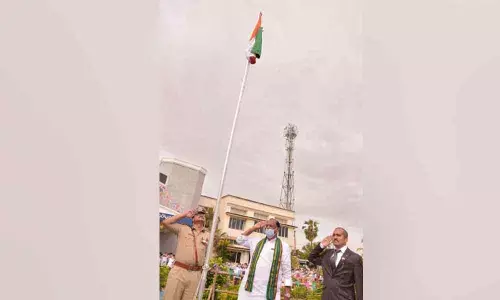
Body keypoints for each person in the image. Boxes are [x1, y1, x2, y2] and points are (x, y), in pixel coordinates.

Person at [160, 207, 210, 300]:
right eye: (198, 214)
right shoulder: (183, 229)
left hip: (195, 274)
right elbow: (165, 222)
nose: (201, 216)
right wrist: (184, 215)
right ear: (192, 218)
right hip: (179, 271)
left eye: (203, 215)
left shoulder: (208, 235)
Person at [235, 219, 292, 300]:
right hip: (249, 290)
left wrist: (287, 292)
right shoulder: (256, 241)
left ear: (277, 229)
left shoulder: (284, 246)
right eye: (267, 226)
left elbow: (287, 271)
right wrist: (253, 228)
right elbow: (239, 240)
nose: (268, 228)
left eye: (271, 226)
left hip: (269, 291)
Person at [308, 227, 363, 300]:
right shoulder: (327, 254)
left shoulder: (355, 258)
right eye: (333, 235)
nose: (335, 237)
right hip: (326, 297)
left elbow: (359, 285)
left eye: (338, 235)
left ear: (346, 239)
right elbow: (311, 258)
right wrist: (322, 245)